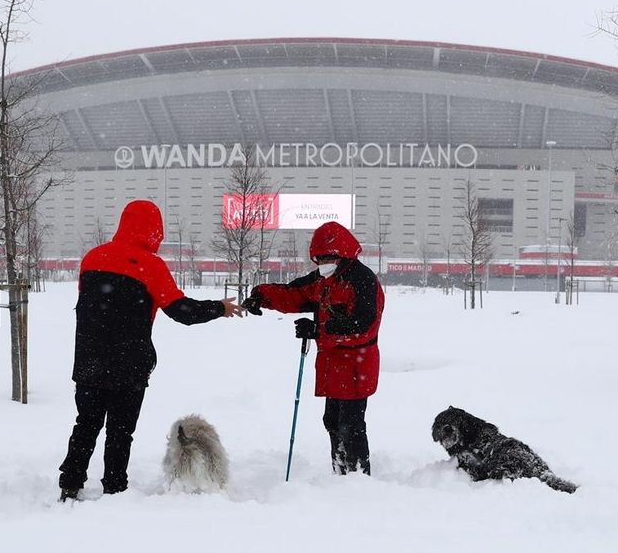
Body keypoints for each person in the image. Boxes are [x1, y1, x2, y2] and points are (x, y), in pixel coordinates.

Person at [58, 200, 242, 502]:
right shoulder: (150, 266)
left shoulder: (92, 258)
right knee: (120, 431)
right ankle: (115, 487)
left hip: (89, 360)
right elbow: (181, 310)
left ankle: (70, 483)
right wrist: (218, 308)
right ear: (154, 230)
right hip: (128, 365)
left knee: (86, 424)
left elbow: (89, 305)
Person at [243, 221, 384, 475]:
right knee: (332, 421)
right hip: (333, 365)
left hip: (356, 366)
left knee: (350, 425)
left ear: (342, 254)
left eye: (327, 257)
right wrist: (261, 296)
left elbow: (364, 326)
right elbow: (293, 293)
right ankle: (340, 472)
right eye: (318, 259)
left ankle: (358, 477)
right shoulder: (324, 279)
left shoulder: (362, 280)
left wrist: (319, 330)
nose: (322, 263)